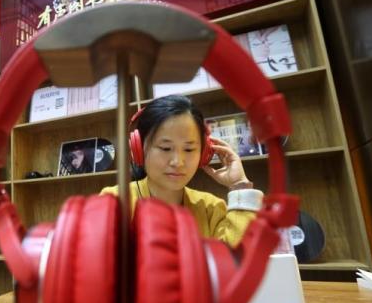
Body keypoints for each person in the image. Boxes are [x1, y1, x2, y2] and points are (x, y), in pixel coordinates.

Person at [100, 94, 262, 247]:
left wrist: (239, 185)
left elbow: (238, 259)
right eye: (165, 148)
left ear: (204, 153)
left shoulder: (210, 208)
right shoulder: (116, 201)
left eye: (189, 149)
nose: (178, 162)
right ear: (138, 149)